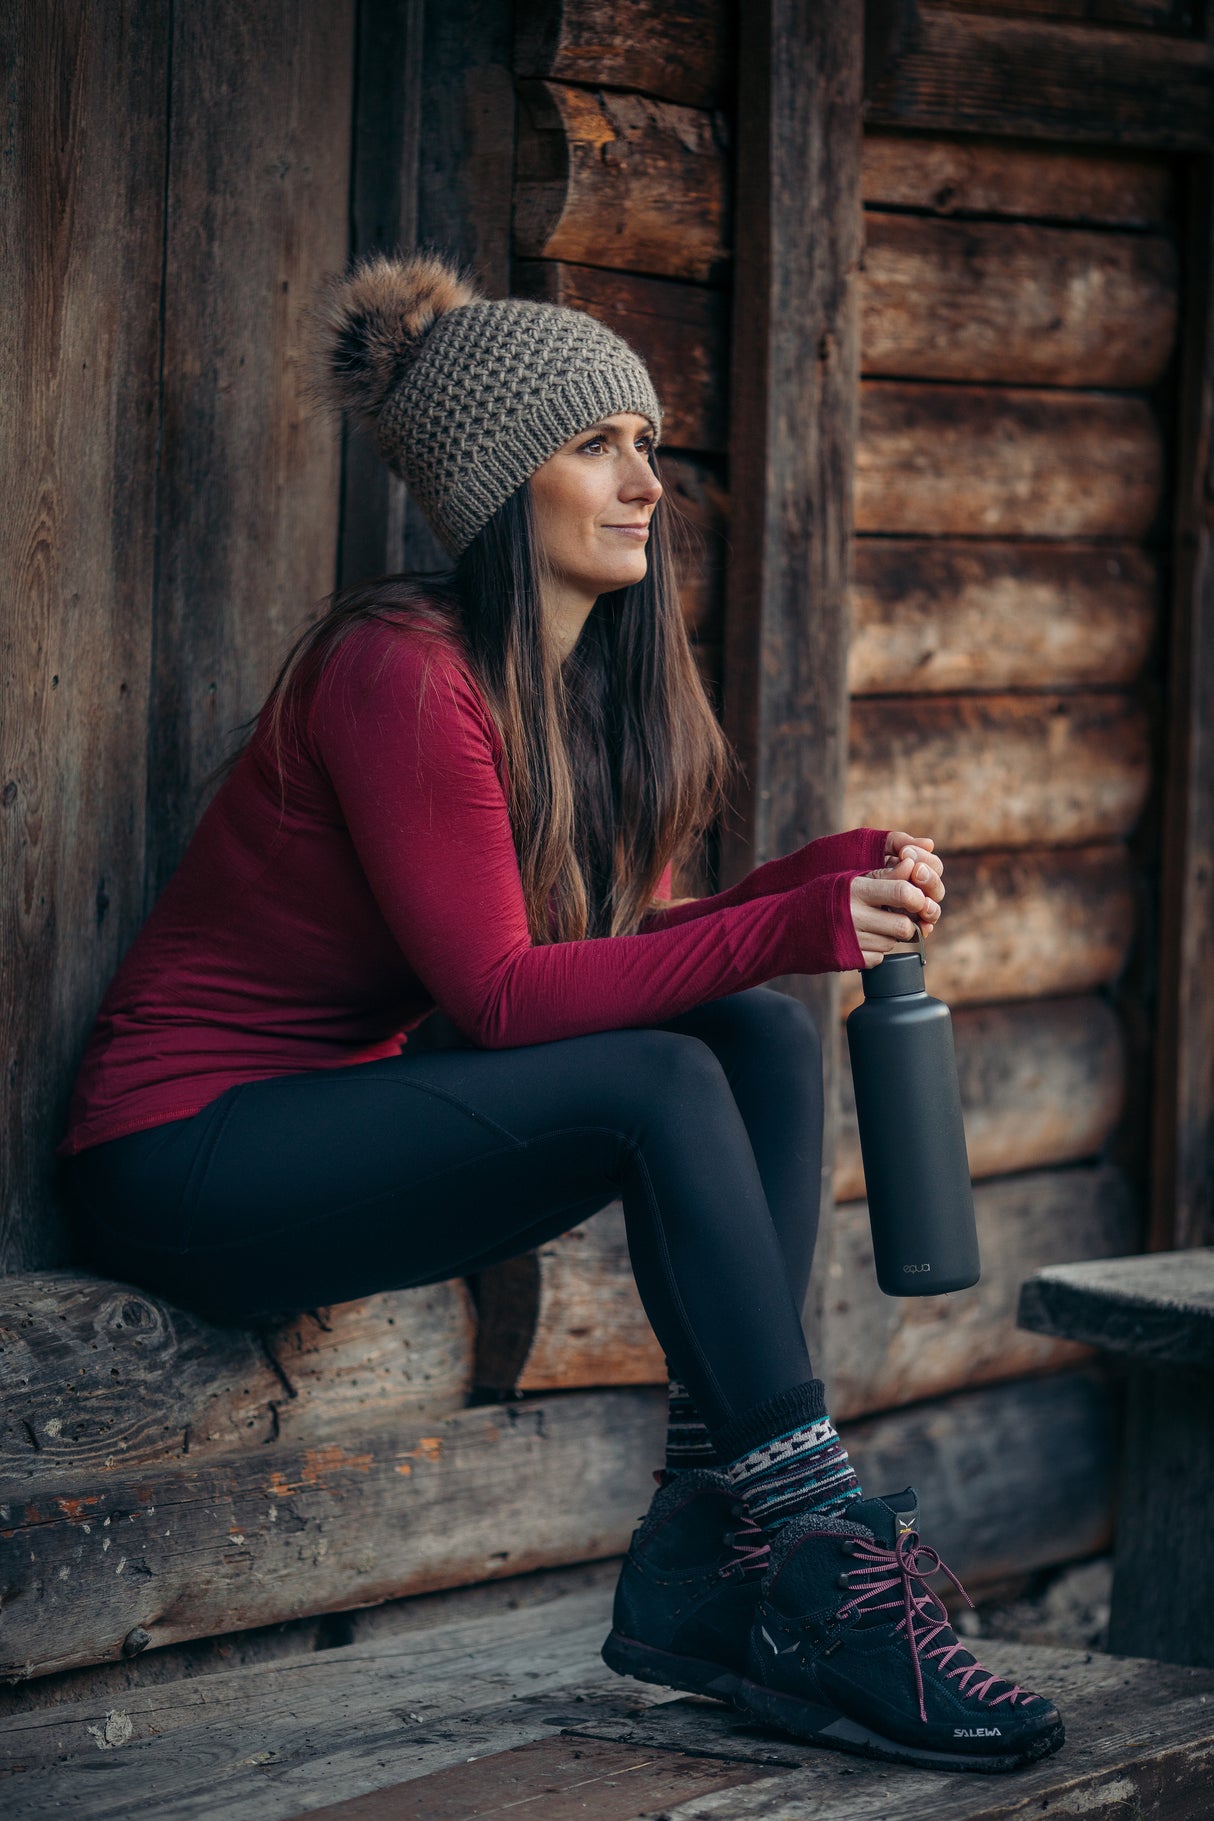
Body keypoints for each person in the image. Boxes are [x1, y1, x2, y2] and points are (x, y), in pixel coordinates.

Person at [57, 249, 1063, 1773]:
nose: (643, 481)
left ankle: (704, 1541)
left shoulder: (577, 693)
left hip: (330, 1132)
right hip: (182, 1156)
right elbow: (505, 995)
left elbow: (623, 945)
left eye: (646, 444)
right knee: (660, 1079)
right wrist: (788, 921)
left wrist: (818, 877)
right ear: (495, 480)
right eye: (595, 445)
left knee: (757, 1034)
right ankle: (816, 1559)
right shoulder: (395, 672)